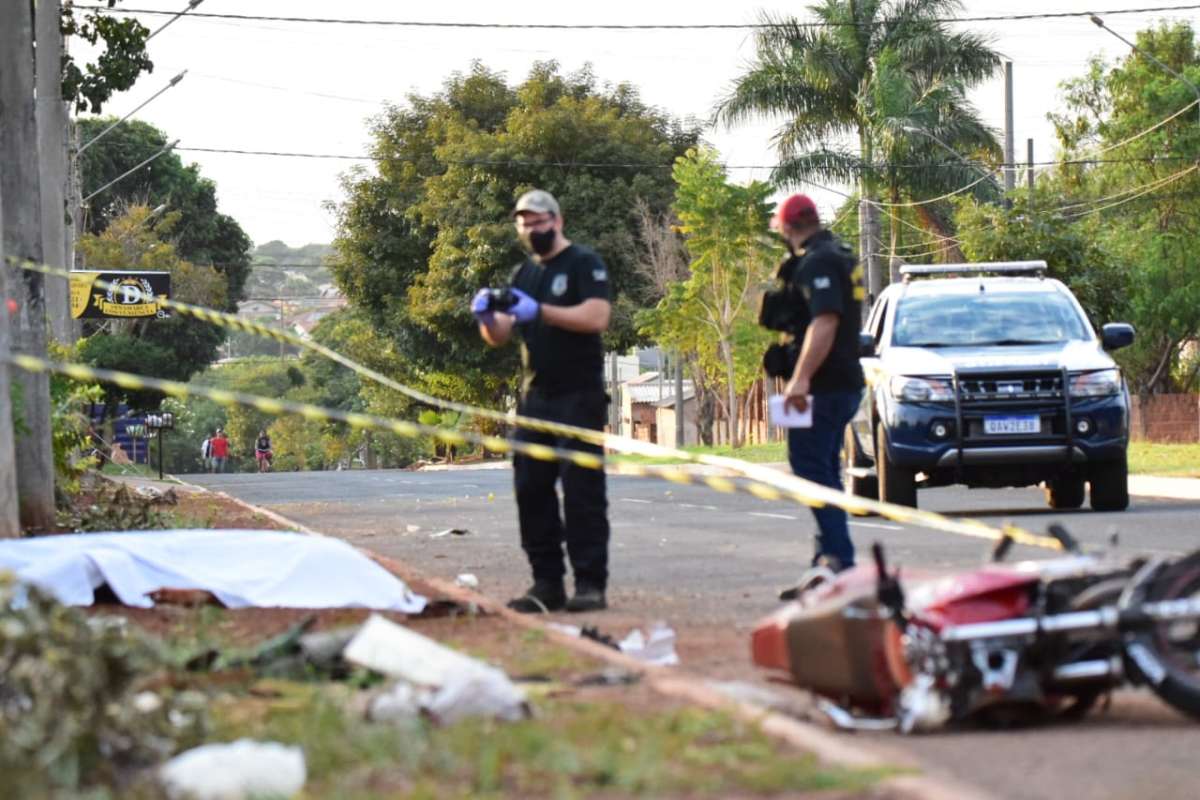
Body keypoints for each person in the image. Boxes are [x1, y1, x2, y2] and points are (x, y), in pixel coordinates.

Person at [471, 189, 613, 614]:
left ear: (558, 220)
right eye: (524, 224)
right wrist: (485, 317)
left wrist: (544, 312)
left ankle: (590, 584)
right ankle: (546, 582)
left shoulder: (584, 263)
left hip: (579, 396)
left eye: (538, 222)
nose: (532, 230)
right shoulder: (523, 275)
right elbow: (500, 336)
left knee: (582, 491)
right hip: (536, 398)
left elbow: (596, 316)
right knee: (531, 489)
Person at [768, 193, 865, 574]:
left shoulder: (819, 261)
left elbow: (825, 321)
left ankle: (840, 558)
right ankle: (828, 556)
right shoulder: (839, 253)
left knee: (809, 466)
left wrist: (800, 379)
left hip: (825, 385)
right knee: (824, 467)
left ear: (788, 227)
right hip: (843, 382)